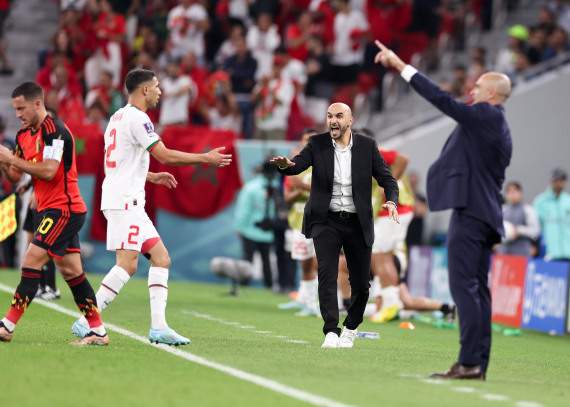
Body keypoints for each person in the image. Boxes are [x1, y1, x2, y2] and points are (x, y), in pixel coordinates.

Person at [375, 40, 512, 380]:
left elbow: (442, 100)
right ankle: (476, 362)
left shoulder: (486, 115)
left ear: (491, 93)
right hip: (485, 213)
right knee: (477, 290)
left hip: (472, 213)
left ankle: (469, 362)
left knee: (464, 288)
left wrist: (401, 66)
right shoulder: (495, 124)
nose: (472, 90)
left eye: (478, 87)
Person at [71, 69, 231, 346]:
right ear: (144, 89)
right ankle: (87, 320)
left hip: (126, 198)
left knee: (161, 258)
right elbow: (165, 155)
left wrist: (150, 176)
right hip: (125, 201)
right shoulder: (138, 118)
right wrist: (206, 158)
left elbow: (119, 165)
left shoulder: (116, 118)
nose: (160, 91)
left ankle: (159, 327)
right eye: (156, 86)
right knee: (127, 264)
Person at [271, 103, 399, 349]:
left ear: (350, 120)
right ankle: (331, 331)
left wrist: (391, 201)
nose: (333, 120)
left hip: (357, 222)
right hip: (326, 220)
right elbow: (297, 165)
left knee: (361, 284)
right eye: (330, 116)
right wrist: (285, 165)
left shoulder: (367, 146)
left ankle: (351, 328)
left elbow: (387, 178)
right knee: (326, 274)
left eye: (339, 116)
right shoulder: (317, 143)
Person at [0, 81, 108, 345]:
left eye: (21, 108)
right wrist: (4, 162)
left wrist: (12, 159)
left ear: (38, 103)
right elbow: (15, 175)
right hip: (47, 210)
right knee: (71, 271)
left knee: (30, 259)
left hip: (65, 209)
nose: (18, 115)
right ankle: (98, 330)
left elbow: (49, 170)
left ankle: (7, 325)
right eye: (15, 109)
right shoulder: (23, 136)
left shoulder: (55, 131)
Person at [279, 129, 319, 316]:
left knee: (319, 264)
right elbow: (287, 196)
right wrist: (299, 190)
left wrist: (302, 186)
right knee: (305, 263)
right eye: (306, 139)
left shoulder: (325, 163)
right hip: (298, 222)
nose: (309, 142)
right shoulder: (295, 166)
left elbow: (329, 190)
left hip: (321, 220)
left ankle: (317, 303)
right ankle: (306, 300)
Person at [233, 162, 277, 289]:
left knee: (248, 259)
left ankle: (244, 284)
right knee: (266, 260)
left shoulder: (251, 187)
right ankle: (269, 285)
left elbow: (244, 209)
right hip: (269, 231)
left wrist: (239, 226)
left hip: (250, 229)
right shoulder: (276, 186)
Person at [533, 168, 570, 261]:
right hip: (549, 253)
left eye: (562, 180)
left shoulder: (568, 201)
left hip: (568, 252)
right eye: (557, 180)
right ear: (552, 180)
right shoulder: (540, 201)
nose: (559, 183)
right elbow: (535, 226)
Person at [497, 181, 540, 257]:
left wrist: (519, 230)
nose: (512, 194)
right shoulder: (502, 210)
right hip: (503, 253)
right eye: (509, 191)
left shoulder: (527, 209)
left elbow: (535, 230)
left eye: (515, 191)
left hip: (521, 254)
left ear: (520, 193)